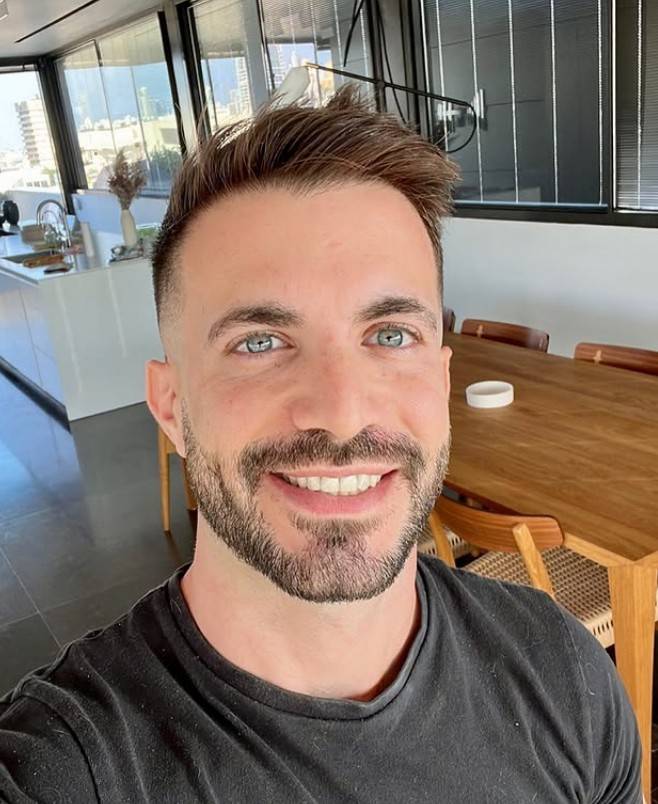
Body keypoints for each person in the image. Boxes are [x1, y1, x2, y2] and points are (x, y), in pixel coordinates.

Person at [0, 86, 641, 803]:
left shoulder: (567, 676)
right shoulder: (64, 770)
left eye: (390, 334)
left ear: (441, 378)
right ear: (172, 406)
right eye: (260, 342)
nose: (341, 414)